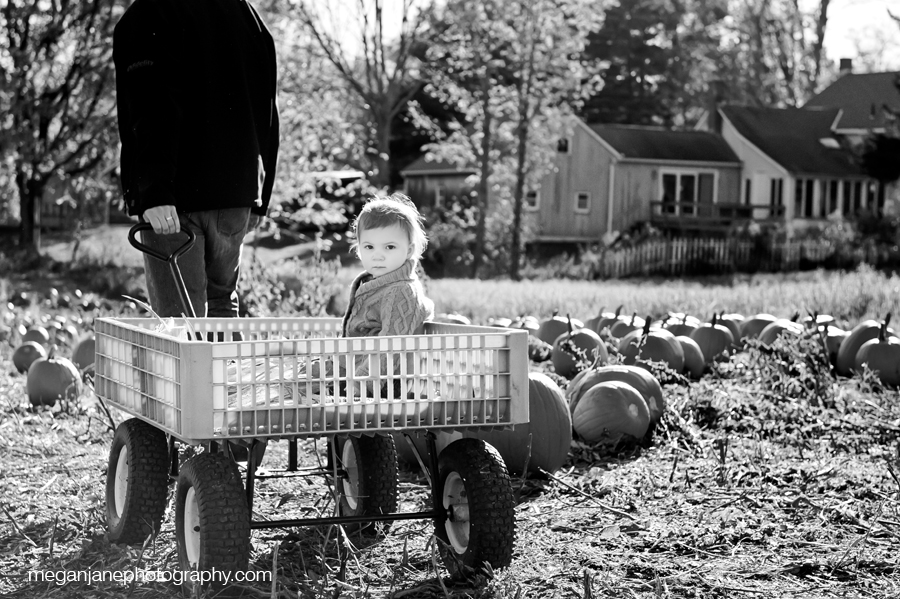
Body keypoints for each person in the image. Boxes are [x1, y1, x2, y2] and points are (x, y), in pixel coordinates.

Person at [113, 0, 279, 320]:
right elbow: (268, 111)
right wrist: (261, 195)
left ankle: (196, 372)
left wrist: (154, 189)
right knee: (220, 305)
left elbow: (154, 103)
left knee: (179, 322)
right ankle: (224, 371)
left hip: (175, 199)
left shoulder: (152, 12)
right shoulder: (247, 16)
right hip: (236, 194)